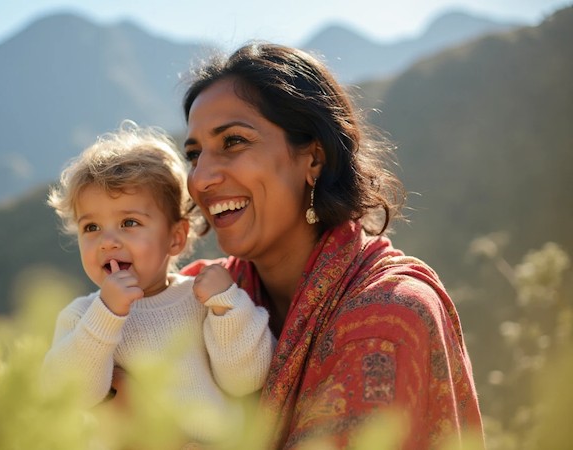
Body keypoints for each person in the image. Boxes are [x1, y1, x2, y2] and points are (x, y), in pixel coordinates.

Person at [179, 43, 484, 449]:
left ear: (314, 158)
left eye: (233, 142)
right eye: (194, 155)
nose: (200, 179)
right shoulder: (193, 300)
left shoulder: (389, 317)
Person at [42, 121, 276, 444]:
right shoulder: (82, 316)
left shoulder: (200, 299)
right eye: (91, 227)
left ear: (175, 238)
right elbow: (69, 393)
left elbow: (247, 378)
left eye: (129, 222)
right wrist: (105, 315)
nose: (107, 242)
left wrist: (228, 306)